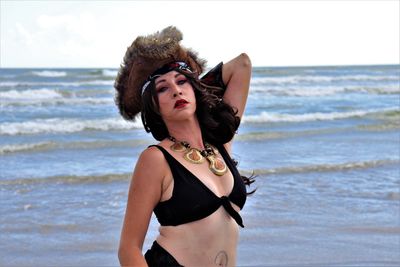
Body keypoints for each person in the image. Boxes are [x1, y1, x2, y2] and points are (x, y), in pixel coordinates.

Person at [115, 26, 253, 267]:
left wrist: (191, 80)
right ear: (154, 105)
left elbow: (242, 65)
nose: (176, 90)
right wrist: (183, 80)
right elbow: (128, 249)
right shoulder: (156, 159)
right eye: (162, 88)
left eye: (181, 83)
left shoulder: (220, 144)